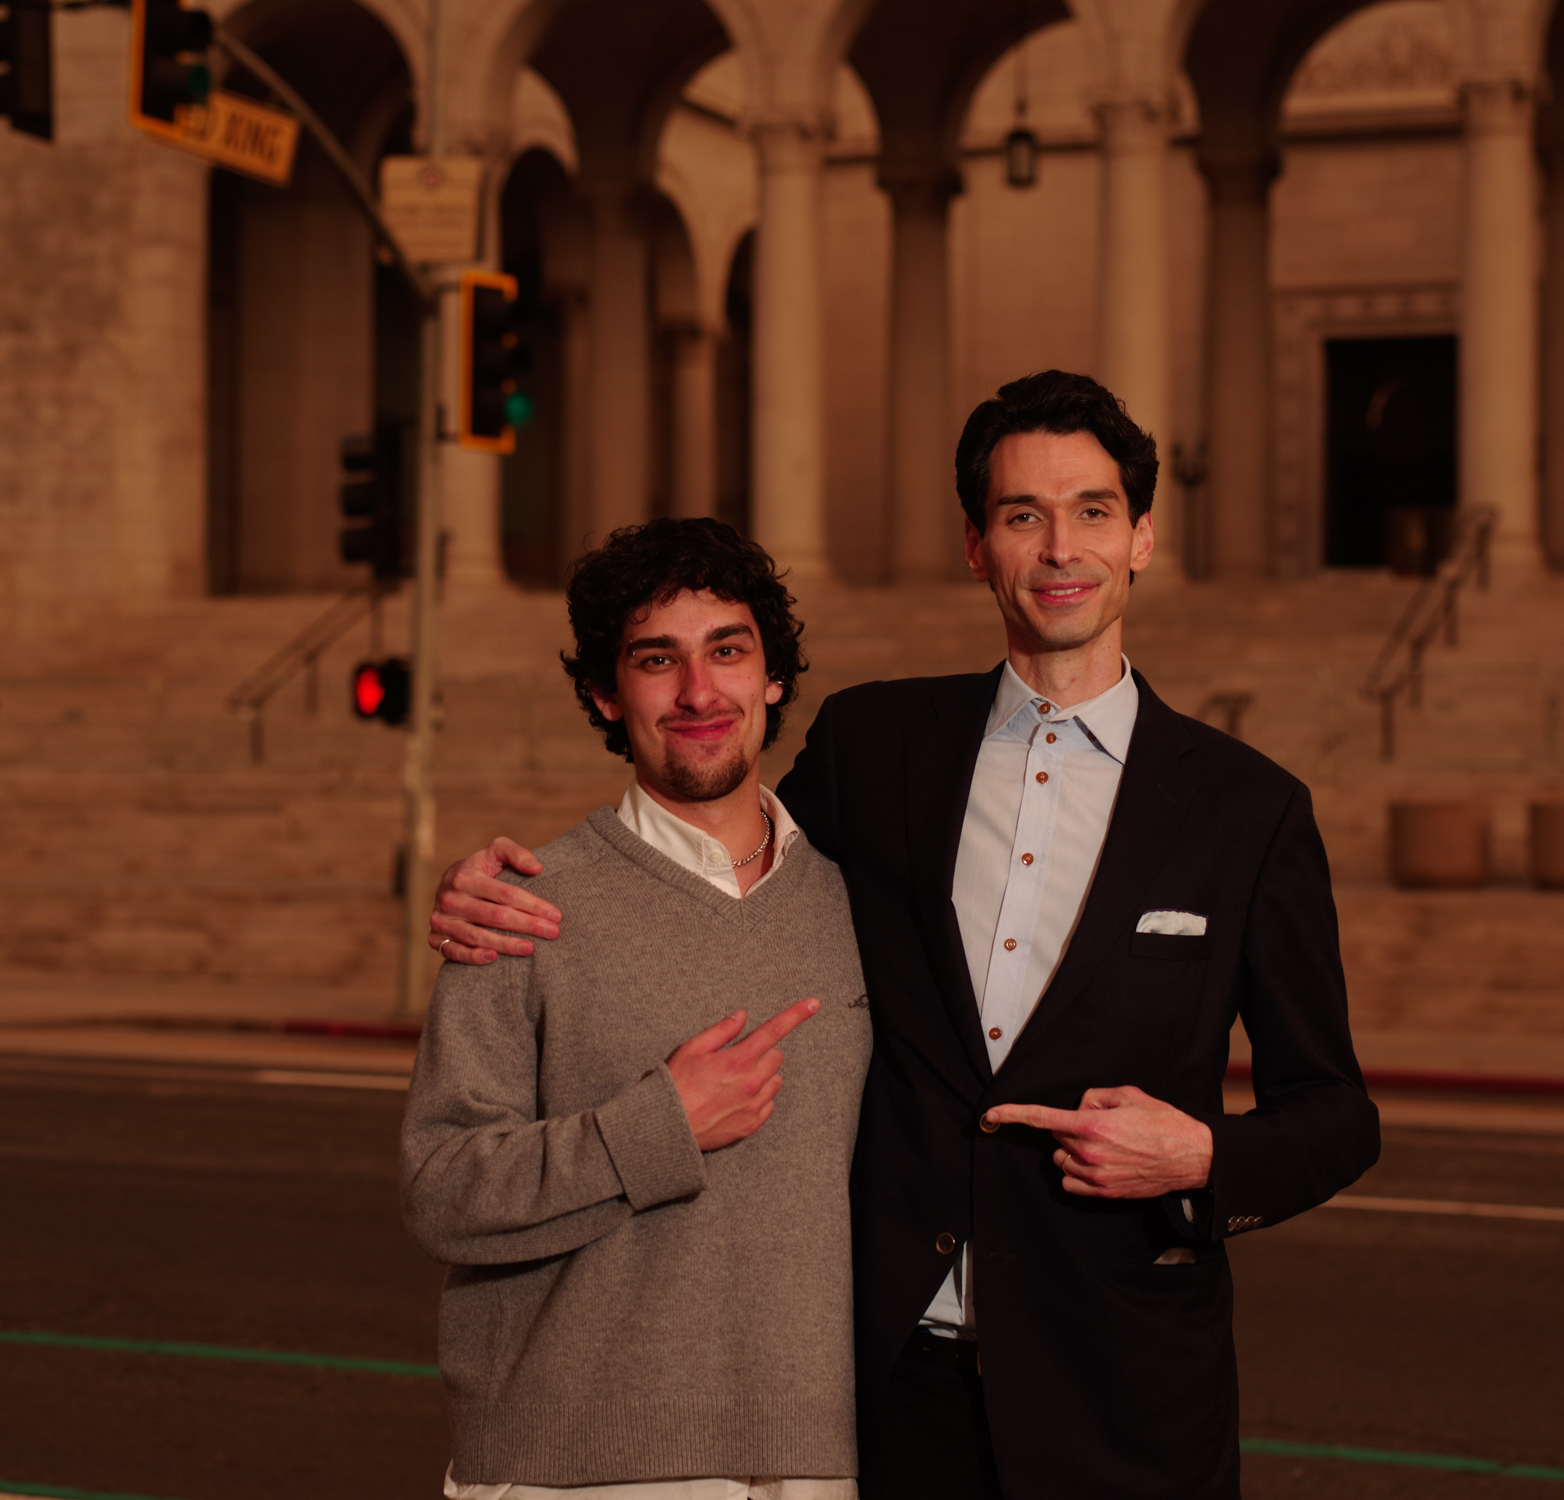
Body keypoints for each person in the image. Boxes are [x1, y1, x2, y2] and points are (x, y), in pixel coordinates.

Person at [429, 371, 1380, 1500]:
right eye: (1022, 516)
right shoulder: (875, 747)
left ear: (1142, 538)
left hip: (1121, 1388)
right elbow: (725, 856)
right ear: (979, 547)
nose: (1059, 546)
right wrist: (499, 884)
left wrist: (1205, 1157)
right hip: (882, 1388)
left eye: (1091, 510)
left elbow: (1334, 1112)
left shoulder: (1246, 808)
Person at [402, 518, 873, 1500]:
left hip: (813, 1466)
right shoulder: (524, 907)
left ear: (773, 677)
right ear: (605, 694)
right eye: (658, 661)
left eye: (728, 652)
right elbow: (442, 1189)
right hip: (572, 1471)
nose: (700, 693)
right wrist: (657, 1127)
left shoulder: (858, 903)